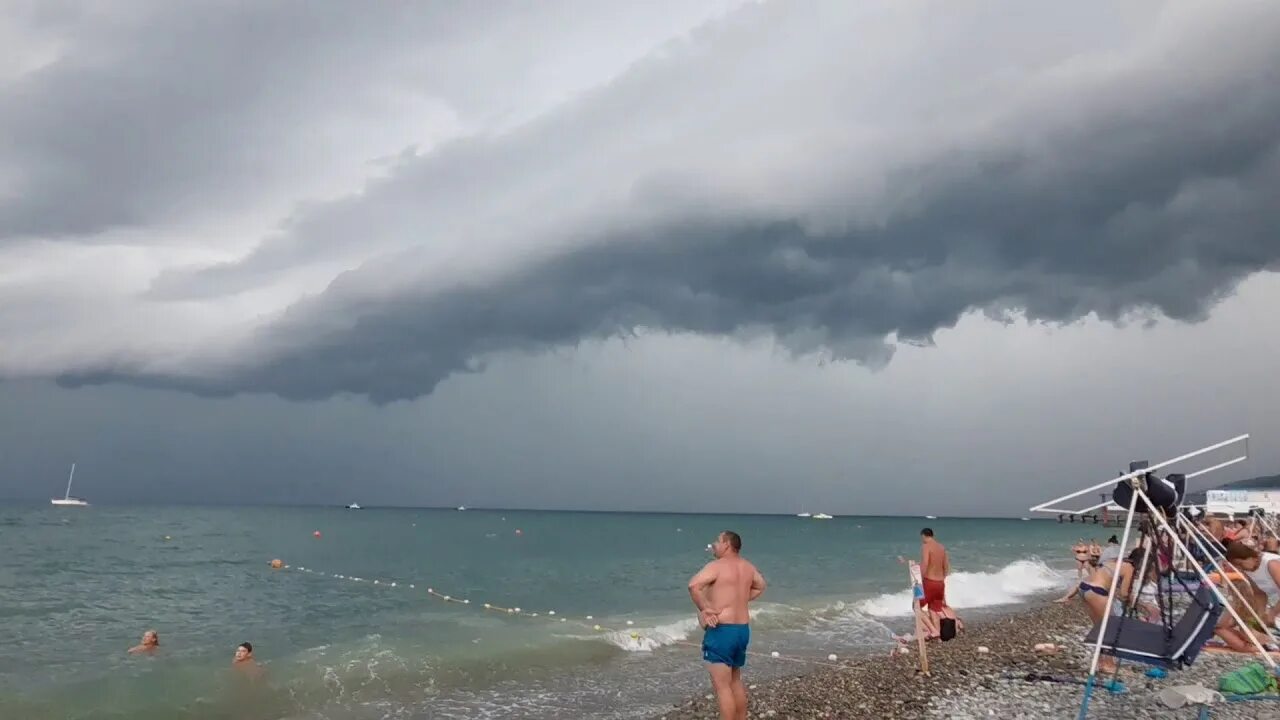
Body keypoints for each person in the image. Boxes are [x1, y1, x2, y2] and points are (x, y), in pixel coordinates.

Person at [688, 531, 766, 720]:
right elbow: (761, 585)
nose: (714, 544)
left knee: (722, 688)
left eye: (718, 541)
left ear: (727, 545)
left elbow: (693, 585)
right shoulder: (747, 566)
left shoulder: (717, 566)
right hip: (741, 630)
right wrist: (740, 599)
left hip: (723, 631)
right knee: (735, 681)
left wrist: (705, 608)